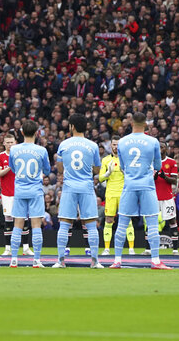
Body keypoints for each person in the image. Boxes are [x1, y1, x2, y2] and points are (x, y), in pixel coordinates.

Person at [110, 112, 170, 270]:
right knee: (151, 223)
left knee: (122, 223)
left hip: (129, 185)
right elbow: (158, 166)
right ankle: (155, 261)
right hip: (147, 185)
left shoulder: (122, 142)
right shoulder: (153, 141)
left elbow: (122, 167)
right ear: (146, 124)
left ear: (131, 123)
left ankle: (117, 260)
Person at [53, 114, 103, 268]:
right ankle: (94, 261)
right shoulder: (93, 146)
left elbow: (60, 169)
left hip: (69, 187)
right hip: (86, 186)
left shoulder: (64, 145)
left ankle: (60, 261)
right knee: (90, 224)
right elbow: (97, 169)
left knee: (64, 224)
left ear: (72, 127)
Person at [8, 119, 50, 268]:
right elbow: (47, 171)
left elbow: (12, 168)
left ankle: (13, 259)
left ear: (21, 132)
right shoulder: (41, 150)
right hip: (35, 191)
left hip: (19, 190)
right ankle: (37, 260)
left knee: (17, 225)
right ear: (37, 133)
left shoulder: (14, 149)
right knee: (36, 225)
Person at [0, 132, 31, 256]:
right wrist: (10, 167)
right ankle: (7, 248)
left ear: (15, 142)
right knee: (8, 220)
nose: (10, 144)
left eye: (12, 142)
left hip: (20, 192)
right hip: (7, 193)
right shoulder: (0, 156)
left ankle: (26, 248)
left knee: (24, 219)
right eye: (7, 142)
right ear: (4, 143)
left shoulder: (20, 155)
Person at [99, 136, 133, 255]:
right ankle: (107, 249)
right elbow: (100, 178)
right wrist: (108, 173)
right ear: (111, 146)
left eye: (118, 144)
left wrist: (125, 172)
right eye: (114, 144)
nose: (116, 147)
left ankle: (131, 249)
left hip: (124, 193)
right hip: (111, 194)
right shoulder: (106, 160)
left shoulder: (127, 159)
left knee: (128, 221)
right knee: (109, 220)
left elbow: (133, 176)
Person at [154, 142, 179, 255]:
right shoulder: (152, 162)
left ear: (166, 149)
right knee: (150, 221)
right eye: (158, 147)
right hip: (154, 196)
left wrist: (165, 177)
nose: (160, 149)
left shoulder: (171, 162)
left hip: (167, 197)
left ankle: (175, 250)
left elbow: (174, 180)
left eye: (162, 147)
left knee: (172, 220)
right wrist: (154, 177)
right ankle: (148, 249)